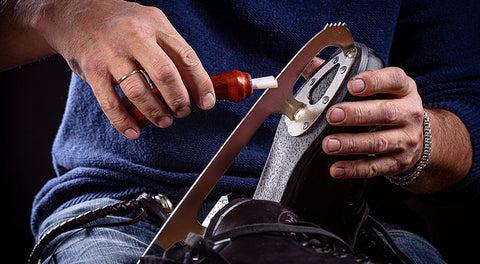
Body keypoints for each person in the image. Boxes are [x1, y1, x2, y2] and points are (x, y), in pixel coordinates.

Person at [1, 0, 478, 263]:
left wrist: (420, 141)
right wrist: (61, 11)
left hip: (349, 224)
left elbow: (467, 114)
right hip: (128, 211)